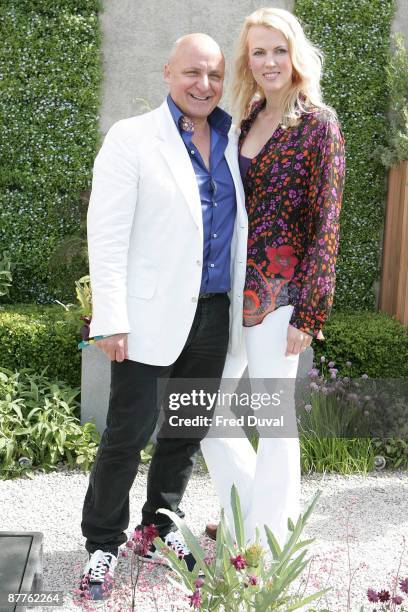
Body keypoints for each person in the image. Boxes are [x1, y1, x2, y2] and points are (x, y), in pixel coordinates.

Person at [80, 33, 247, 599]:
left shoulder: (231, 138)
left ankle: (159, 527)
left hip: (214, 313)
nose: (204, 85)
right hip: (148, 316)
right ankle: (102, 543)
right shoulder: (131, 138)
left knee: (185, 432)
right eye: (192, 73)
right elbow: (105, 236)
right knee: (128, 434)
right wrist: (110, 317)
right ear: (167, 72)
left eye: (215, 76)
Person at [201, 7, 345, 548]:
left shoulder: (319, 124)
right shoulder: (245, 118)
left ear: (296, 54)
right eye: (258, 52)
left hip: (280, 296)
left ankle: (269, 541)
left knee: (272, 418)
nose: (268, 61)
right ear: (247, 61)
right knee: (203, 409)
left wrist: (309, 312)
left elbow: (326, 223)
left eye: (278, 50)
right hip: (231, 286)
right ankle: (249, 516)